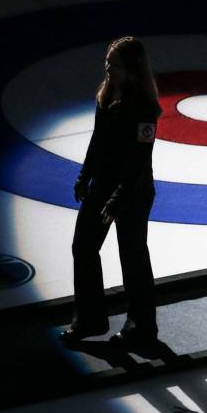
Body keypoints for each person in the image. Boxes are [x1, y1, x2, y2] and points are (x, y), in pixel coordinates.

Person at [61, 37, 161, 346]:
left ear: (131, 69)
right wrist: (84, 176)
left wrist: (118, 197)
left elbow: (139, 160)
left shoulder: (143, 105)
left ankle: (142, 325)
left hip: (132, 190)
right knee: (84, 246)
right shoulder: (106, 94)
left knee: (133, 257)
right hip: (104, 185)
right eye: (107, 61)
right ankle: (90, 318)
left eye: (115, 64)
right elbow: (97, 139)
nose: (108, 67)